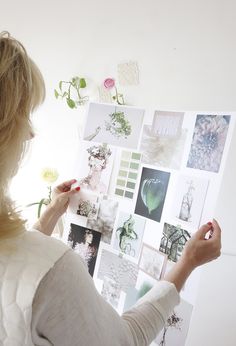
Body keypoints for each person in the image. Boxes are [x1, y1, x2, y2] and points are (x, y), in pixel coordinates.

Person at [0, 31, 221, 346]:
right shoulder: (55, 269)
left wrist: (51, 212)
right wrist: (187, 263)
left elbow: (16, 271)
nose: (31, 134)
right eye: (24, 117)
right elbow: (125, 339)